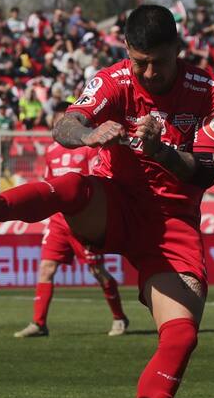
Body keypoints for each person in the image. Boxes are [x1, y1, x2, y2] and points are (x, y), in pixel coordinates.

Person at [0, 5, 214, 398]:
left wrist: (162, 151)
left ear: (178, 49)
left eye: (160, 62)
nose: (150, 73)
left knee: (183, 336)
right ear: (127, 51)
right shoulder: (113, 80)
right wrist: (89, 134)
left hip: (173, 224)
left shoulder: (208, 89)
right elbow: (67, 124)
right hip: (116, 203)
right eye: (141, 62)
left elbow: (207, 172)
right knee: (74, 187)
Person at [14, 101, 129, 338]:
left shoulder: (88, 149)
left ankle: (119, 317)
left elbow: (96, 180)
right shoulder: (51, 152)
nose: (59, 127)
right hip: (58, 220)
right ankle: (39, 323)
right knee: (46, 268)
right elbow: (49, 184)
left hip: (81, 219)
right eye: (56, 123)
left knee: (97, 270)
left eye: (63, 122)